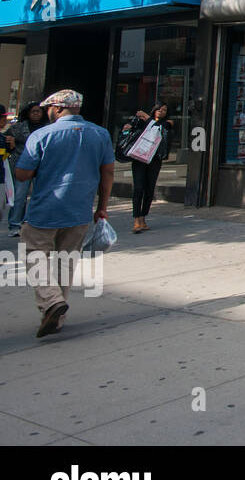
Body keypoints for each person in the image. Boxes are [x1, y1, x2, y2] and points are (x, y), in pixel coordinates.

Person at [12, 90, 114, 339]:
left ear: (57, 109)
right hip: (79, 210)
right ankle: (56, 317)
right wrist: (102, 206)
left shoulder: (42, 135)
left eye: (49, 109)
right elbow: (108, 173)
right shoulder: (100, 134)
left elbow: (22, 174)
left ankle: (51, 301)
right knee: (65, 262)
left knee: (33, 254)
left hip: (45, 209)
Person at [120, 103, 174, 233]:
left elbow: (160, 128)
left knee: (149, 190)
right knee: (138, 188)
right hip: (139, 158)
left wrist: (148, 117)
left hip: (154, 160)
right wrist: (126, 129)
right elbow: (130, 132)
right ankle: (136, 219)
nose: (161, 111)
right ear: (154, 110)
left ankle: (143, 218)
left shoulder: (167, 123)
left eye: (164, 110)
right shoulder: (143, 122)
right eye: (159, 109)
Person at [4, 102, 45, 237]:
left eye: (38, 111)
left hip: (41, 165)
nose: (36, 114)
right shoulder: (19, 128)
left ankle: (29, 222)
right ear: (28, 113)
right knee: (20, 195)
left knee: (38, 195)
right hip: (22, 163)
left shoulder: (47, 128)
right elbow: (5, 137)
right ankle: (15, 224)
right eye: (33, 111)